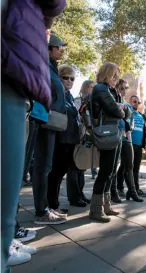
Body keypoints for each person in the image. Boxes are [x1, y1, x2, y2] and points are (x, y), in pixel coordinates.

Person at [1, 0, 66, 270]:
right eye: (60, 47)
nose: (62, 50)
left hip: (20, 91)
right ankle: (24, 223)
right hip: (14, 84)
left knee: (21, 176)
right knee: (32, 170)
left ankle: (9, 237)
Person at [32, 33, 68, 225]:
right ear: (49, 48)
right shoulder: (43, 65)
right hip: (43, 120)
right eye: (59, 47)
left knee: (46, 167)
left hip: (51, 122)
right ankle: (41, 212)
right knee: (41, 167)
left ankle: (45, 208)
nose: (61, 50)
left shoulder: (52, 68)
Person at [47, 65, 88, 209]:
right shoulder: (57, 94)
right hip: (60, 138)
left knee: (61, 171)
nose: (69, 81)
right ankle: (51, 204)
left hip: (70, 139)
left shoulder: (69, 96)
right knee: (56, 173)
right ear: (59, 78)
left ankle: (53, 204)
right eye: (66, 77)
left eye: (72, 78)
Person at [89, 62, 125, 222]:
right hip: (107, 133)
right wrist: (121, 108)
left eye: (117, 76)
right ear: (105, 74)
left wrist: (122, 108)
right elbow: (118, 111)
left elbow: (125, 110)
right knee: (105, 171)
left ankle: (106, 205)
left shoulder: (110, 90)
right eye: (113, 75)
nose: (116, 79)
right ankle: (96, 210)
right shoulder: (101, 89)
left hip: (114, 133)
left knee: (111, 171)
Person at [112, 80, 144, 203]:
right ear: (116, 88)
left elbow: (131, 120)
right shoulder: (113, 102)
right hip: (116, 137)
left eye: (126, 88)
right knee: (114, 166)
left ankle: (132, 191)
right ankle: (113, 191)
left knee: (129, 166)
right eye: (122, 88)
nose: (124, 90)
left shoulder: (128, 106)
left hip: (127, 139)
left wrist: (129, 128)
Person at [117, 95, 146, 197]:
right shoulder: (128, 113)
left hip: (138, 146)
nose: (136, 103)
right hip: (127, 144)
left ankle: (135, 189)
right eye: (134, 102)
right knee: (124, 167)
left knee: (135, 169)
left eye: (138, 102)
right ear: (130, 102)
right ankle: (119, 188)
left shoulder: (143, 116)